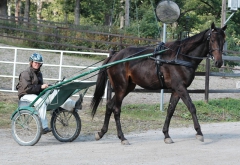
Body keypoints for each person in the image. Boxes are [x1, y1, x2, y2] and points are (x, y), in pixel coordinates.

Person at [16, 53, 82, 134]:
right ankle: (44, 127)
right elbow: (27, 89)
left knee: (56, 94)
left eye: (39, 63)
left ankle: (74, 105)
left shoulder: (39, 74)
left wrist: (48, 87)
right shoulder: (26, 73)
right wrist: (41, 87)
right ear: (31, 62)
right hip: (25, 95)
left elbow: (39, 88)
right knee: (41, 103)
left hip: (36, 94)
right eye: (35, 62)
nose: (37, 64)